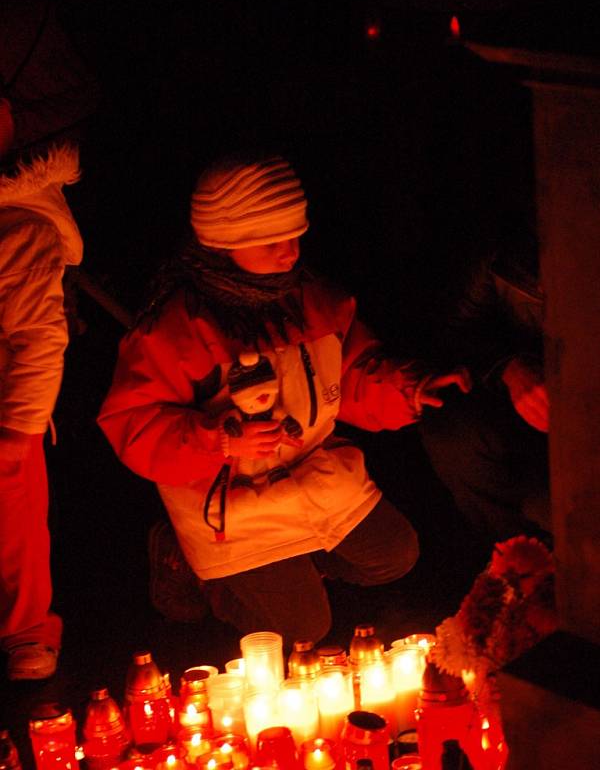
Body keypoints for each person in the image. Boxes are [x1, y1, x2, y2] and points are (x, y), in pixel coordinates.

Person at [97, 153, 470, 645]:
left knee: (396, 553)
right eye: (271, 241)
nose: (289, 252)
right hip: (229, 503)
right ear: (225, 241)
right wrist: (219, 439)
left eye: (295, 235)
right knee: (302, 629)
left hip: (312, 474)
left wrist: (409, 388)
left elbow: (351, 377)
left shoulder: (315, 299)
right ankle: (200, 572)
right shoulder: (176, 327)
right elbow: (134, 424)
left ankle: (293, 563)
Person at [0, 97, 84, 680]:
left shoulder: (20, 225)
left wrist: (19, 427)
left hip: (7, 417)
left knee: (15, 531)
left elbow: (37, 336)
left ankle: (25, 630)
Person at [417, 232, 550, 554]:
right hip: (530, 416)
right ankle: (522, 568)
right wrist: (511, 369)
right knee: (452, 431)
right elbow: (457, 332)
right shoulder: (507, 259)